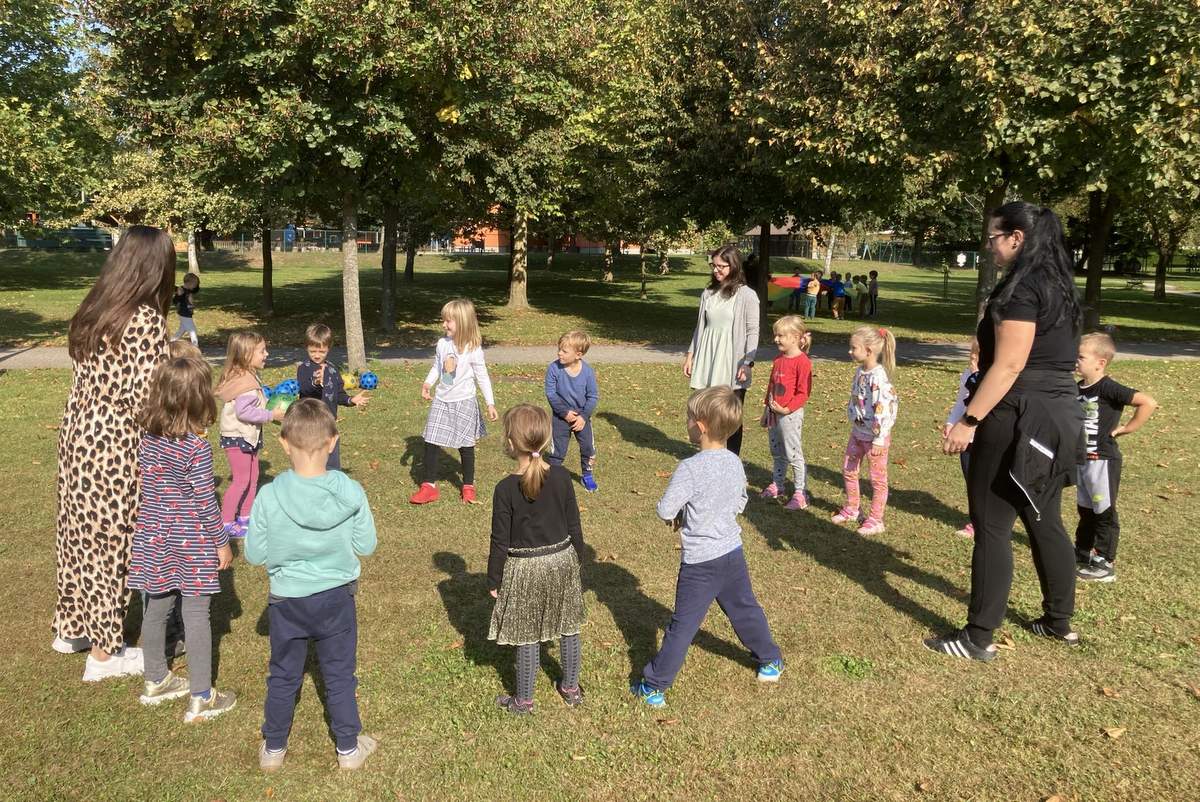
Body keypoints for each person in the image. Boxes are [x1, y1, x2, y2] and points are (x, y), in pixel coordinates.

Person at [930, 202, 1086, 662]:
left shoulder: (1022, 289)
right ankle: (1058, 623)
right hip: (1060, 414)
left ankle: (978, 636)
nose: (990, 246)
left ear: (1016, 238)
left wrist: (970, 420)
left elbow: (1011, 363)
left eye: (994, 237)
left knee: (993, 523)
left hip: (1019, 413)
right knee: (1044, 517)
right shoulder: (1060, 285)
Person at [54, 225, 174, 681]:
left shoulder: (94, 309)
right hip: (114, 444)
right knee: (110, 541)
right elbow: (145, 398)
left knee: (78, 534)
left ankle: (72, 627)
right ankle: (105, 652)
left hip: (78, 435)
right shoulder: (142, 320)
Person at [246, 399, 378, 772]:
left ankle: (274, 748)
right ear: (333, 442)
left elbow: (255, 555)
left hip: (287, 601)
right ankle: (349, 749)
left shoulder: (268, 496)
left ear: (284, 443)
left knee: (284, 674)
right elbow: (366, 545)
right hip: (337, 599)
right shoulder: (351, 492)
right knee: (338, 673)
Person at [632, 387, 783, 708]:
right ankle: (770, 659)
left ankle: (653, 685)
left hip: (701, 564)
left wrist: (681, 513)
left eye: (688, 418)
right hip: (732, 553)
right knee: (745, 609)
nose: (685, 423)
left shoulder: (689, 467)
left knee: (683, 626)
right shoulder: (734, 462)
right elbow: (740, 501)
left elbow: (664, 509)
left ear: (700, 426)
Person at [128, 355, 236, 720]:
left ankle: (156, 678)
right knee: (195, 612)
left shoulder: (148, 438)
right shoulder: (195, 447)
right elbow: (205, 500)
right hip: (191, 538)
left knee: (157, 606)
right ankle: (201, 695)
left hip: (154, 534)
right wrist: (221, 541)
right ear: (198, 398)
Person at [487, 405, 587, 714]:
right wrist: (578, 561)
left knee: (527, 632)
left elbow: (500, 540)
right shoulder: (560, 477)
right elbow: (574, 525)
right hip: (562, 561)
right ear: (545, 441)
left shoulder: (505, 489)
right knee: (569, 625)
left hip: (524, 569)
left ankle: (524, 701)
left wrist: (494, 578)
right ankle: (570, 688)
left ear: (510, 442)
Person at [1073, 333, 1158, 583]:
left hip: (1103, 460)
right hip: (1083, 460)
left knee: (1104, 511)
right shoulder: (1077, 387)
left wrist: (1127, 428)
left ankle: (1105, 562)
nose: (1075, 360)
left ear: (1100, 362)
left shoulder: (1108, 387)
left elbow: (1148, 402)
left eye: (1080, 356)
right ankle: (1082, 551)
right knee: (1086, 509)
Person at [410, 298, 499, 504]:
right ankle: (429, 486)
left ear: (463, 323)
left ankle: (468, 486)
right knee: (431, 440)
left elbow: (482, 375)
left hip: (464, 402)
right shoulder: (442, 344)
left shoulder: (473, 349)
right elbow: (437, 367)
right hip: (441, 399)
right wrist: (427, 384)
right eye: (444, 320)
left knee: (465, 445)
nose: (444, 324)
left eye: (448, 321)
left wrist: (490, 403)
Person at [683, 245, 760, 457]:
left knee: (729, 415)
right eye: (713, 265)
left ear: (733, 266)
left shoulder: (746, 295)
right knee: (704, 410)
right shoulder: (708, 293)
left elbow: (753, 331)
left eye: (721, 266)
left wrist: (748, 361)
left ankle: (731, 460)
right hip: (708, 358)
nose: (716, 270)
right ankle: (707, 454)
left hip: (731, 363)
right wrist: (691, 355)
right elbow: (701, 327)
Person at [215, 332, 285, 538]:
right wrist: (271, 415)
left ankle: (245, 517)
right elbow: (243, 412)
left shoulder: (247, 375)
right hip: (238, 437)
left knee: (253, 478)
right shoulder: (244, 382)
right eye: (262, 351)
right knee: (241, 481)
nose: (267, 354)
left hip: (248, 436)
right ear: (246, 354)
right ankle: (226, 523)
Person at [832, 327, 898, 536]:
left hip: (875, 439)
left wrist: (879, 438)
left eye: (854, 348)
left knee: (877, 480)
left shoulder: (879, 378)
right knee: (849, 470)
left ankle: (876, 519)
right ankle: (852, 509)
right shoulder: (860, 372)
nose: (850, 352)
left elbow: (885, 408)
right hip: (858, 433)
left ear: (868, 351)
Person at [296, 323, 369, 471]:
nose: (317, 355)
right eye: (312, 351)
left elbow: (338, 393)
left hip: (329, 422)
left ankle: (332, 483)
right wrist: (316, 382)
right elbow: (305, 390)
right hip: (310, 422)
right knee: (312, 461)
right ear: (306, 348)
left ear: (328, 348)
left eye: (321, 351)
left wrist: (350, 400)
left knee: (333, 462)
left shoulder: (333, 369)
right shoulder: (304, 368)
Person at [759, 316, 813, 510]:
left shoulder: (803, 362)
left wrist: (787, 409)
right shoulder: (779, 359)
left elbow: (803, 392)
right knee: (777, 452)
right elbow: (772, 385)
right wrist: (767, 408)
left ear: (795, 337)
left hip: (790, 416)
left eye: (780, 335)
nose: (776, 339)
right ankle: (778, 485)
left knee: (793, 454)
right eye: (776, 335)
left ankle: (800, 493)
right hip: (774, 415)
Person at [544, 330, 600, 492]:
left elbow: (593, 396)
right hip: (561, 417)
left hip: (582, 418)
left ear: (578, 354)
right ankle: (553, 476)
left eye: (564, 351)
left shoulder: (588, 372)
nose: (559, 353)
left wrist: (583, 417)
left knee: (588, 448)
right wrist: (564, 413)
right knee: (558, 450)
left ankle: (587, 475)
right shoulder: (554, 369)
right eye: (559, 349)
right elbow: (551, 393)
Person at [943, 339, 981, 537]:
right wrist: (951, 422)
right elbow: (961, 402)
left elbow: (980, 398)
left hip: (983, 438)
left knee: (983, 481)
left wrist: (976, 375)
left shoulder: (986, 378)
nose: (973, 358)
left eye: (978, 355)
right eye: (971, 354)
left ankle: (983, 520)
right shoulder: (968, 375)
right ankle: (976, 519)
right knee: (970, 478)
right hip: (966, 440)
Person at [172, 273, 200, 346]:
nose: (195, 286)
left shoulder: (189, 290)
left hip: (187, 313)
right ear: (189, 283)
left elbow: (196, 290)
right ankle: (195, 347)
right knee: (193, 331)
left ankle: (171, 342)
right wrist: (178, 295)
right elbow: (175, 301)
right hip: (184, 313)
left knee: (181, 331)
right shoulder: (181, 290)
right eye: (195, 284)